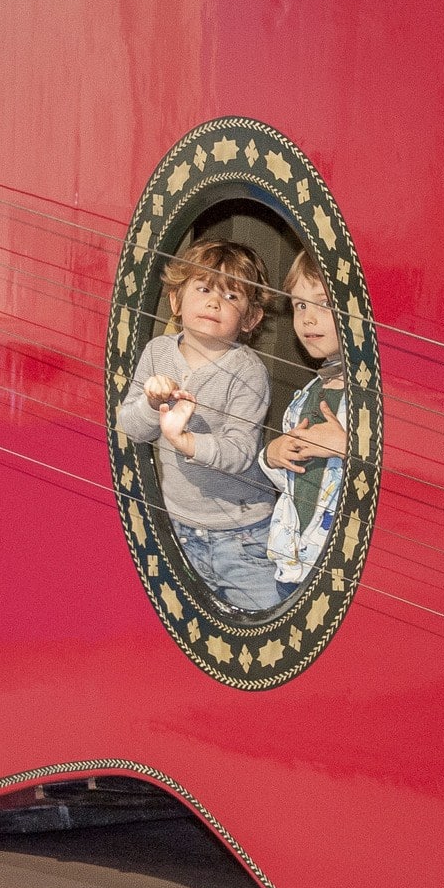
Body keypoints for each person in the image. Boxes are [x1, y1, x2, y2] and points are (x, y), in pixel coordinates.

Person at [117, 239, 280, 610]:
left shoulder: (249, 371)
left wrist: (185, 440)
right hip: (177, 529)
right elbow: (131, 426)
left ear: (251, 319)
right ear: (176, 301)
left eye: (232, 296)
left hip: (244, 537)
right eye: (203, 288)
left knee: (263, 629)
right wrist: (150, 403)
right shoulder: (158, 352)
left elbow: (240, 452)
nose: (214, 302)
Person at [263, 252, 350, 597]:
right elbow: (293, 477)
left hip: (337, 566)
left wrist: (348, 446)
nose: (308, 319)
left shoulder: (372, 396)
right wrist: (272, 454)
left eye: (323, 304)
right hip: (291, 561)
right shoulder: (308, 393)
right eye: (300, 306)